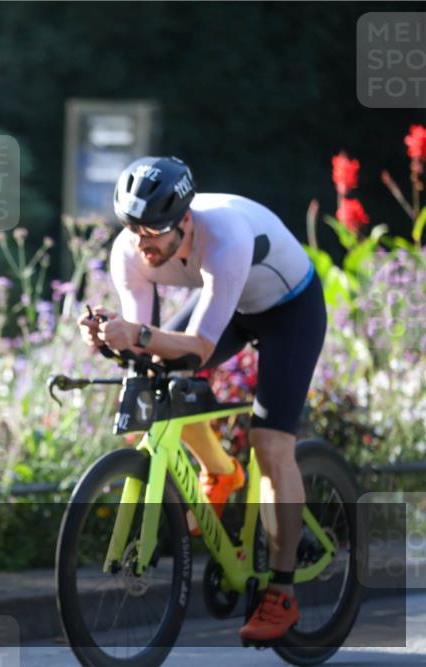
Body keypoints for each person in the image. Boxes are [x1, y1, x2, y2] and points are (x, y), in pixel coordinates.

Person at [77, 156, 327, 642]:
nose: (144, 244)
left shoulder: (225, 236)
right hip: (231, 305)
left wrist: (140, 334)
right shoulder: (129, 250)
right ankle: (219, 470)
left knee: (271, 445)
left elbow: (200, 348)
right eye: (133, 231)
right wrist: (110, 338)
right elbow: (145, 346)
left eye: (155, 232)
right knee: (159, 376)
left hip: (288, 310)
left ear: (185, 220)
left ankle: (282, 591)